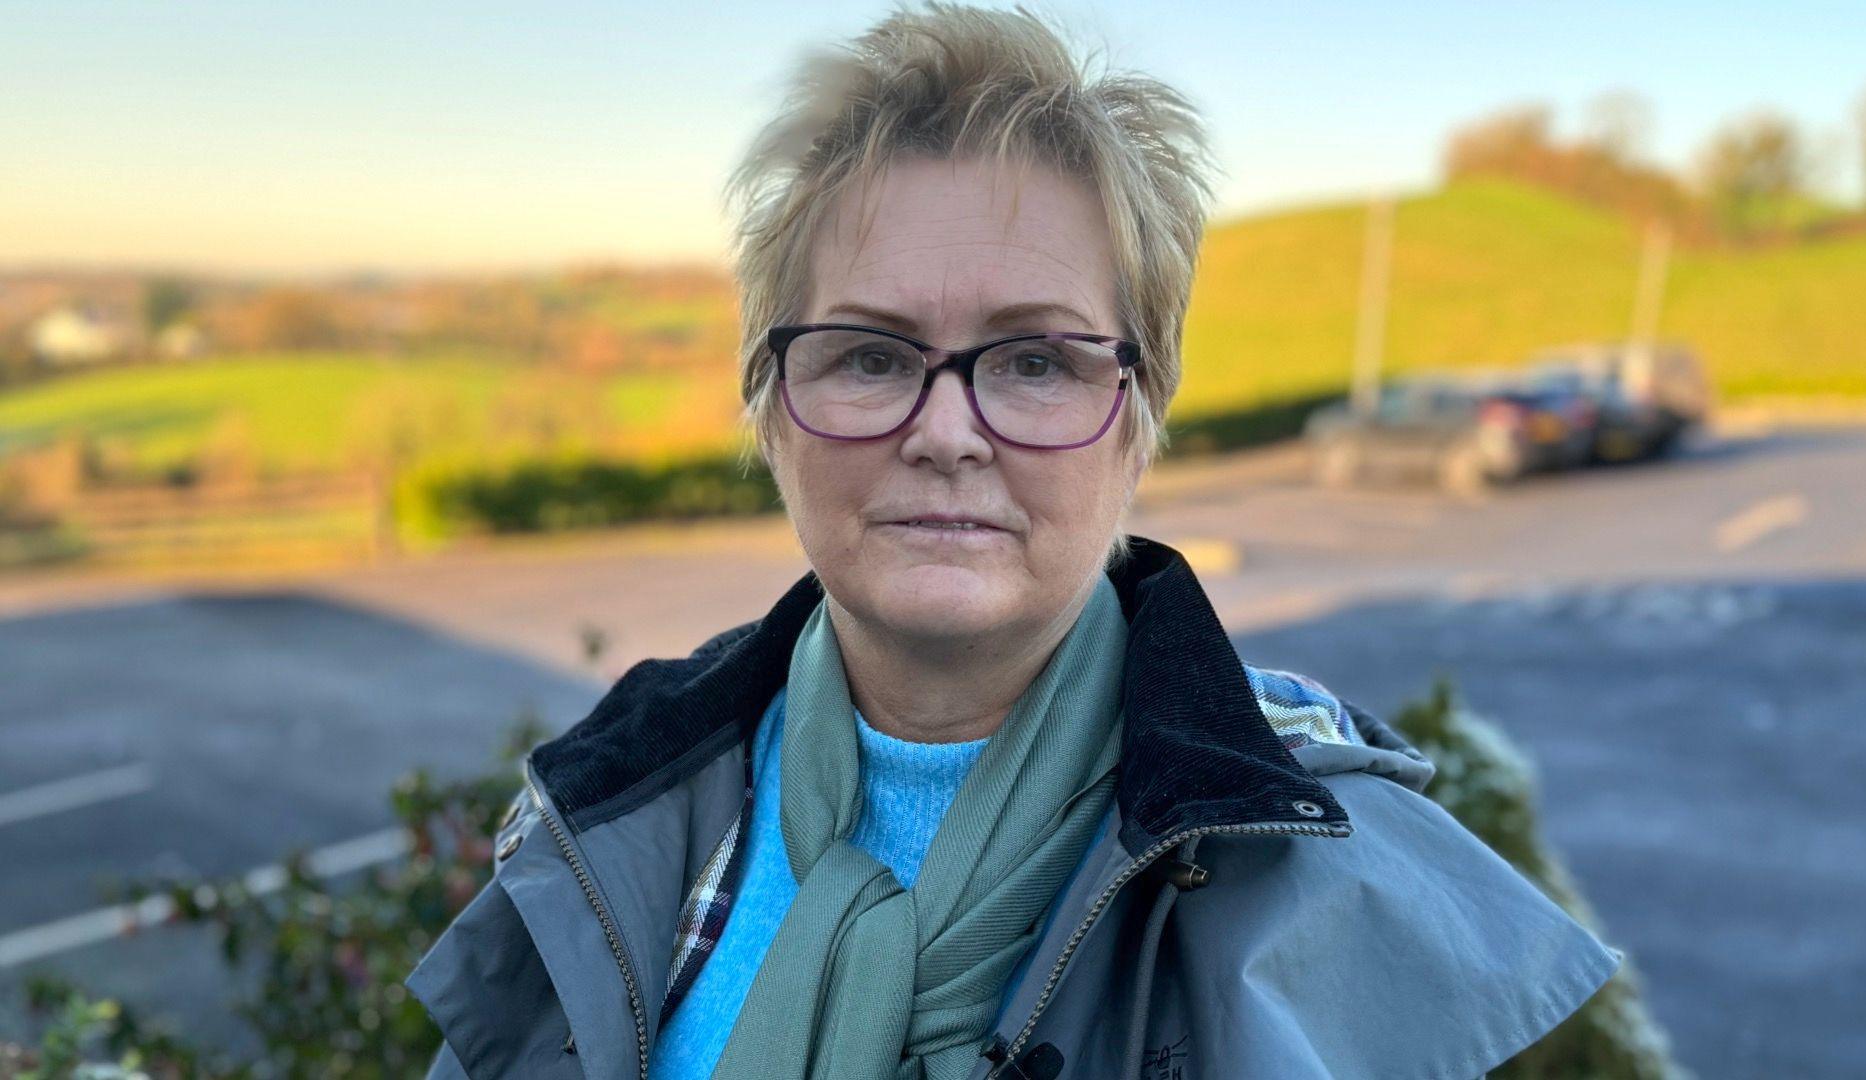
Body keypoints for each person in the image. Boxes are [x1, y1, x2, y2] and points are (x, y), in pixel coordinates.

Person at [405, 4, 1619, 1077]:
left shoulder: (1334, 882)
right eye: (871, 355)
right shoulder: (611, 808)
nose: (946, 433)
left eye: (1035, 360)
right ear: (772, 411)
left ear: (1138, 419)